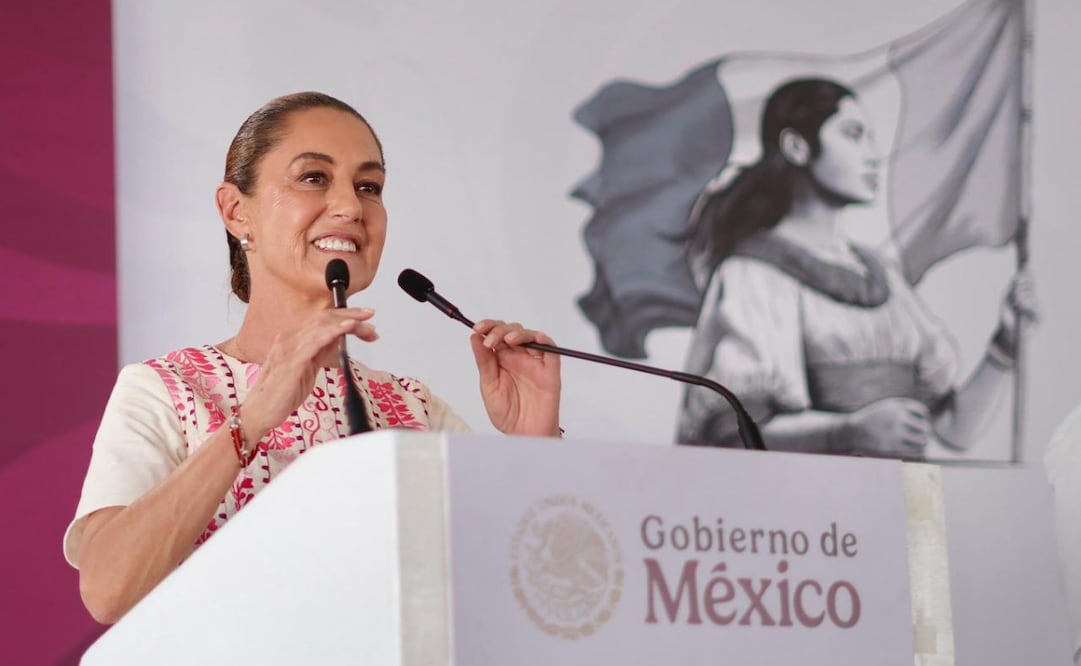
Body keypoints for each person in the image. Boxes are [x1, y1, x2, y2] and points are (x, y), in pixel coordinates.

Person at [64, 92, 563, 624]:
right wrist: (252, 421)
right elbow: (108, 589)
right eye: (313, 178)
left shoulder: (415, 411)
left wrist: (533, 445)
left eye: (368, 187)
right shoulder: (166, 388)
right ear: (237, 212)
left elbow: (529, 601)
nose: (351, 206)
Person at [677, 78, 1036, 458]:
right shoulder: (753, 275)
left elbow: (954, 430)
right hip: (804, 512)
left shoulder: (882, 275)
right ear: (797, 147)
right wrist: (845, 433)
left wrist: (1004, 346)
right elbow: (727, 436)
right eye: (853, 135)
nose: (872, 155)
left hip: (897, 506)